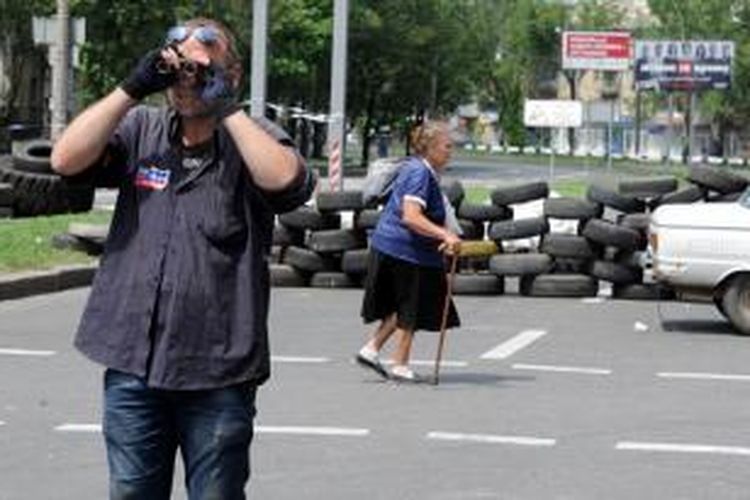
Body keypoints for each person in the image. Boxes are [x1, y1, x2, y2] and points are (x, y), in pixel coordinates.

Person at [50, 18, 315, 499]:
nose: (187, 82)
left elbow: (285, 181)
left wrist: (226, 107)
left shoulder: (253, 136)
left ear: (230, 75)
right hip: (135, 362)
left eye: (202, 71)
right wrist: (132, 87)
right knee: (130, 492)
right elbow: (65, 159)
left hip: (219, 369)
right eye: (178, 69)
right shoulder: (141, 127)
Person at [356, 120, 461, 383]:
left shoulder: (422, 171)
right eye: (447, 146)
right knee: (410, 305)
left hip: (400, 247)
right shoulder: (419, 173)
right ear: (430, 148)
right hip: (404, 249)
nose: (451, 151)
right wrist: (444, 234)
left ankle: (371, 350)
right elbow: (411, 217)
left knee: (402, 304)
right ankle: (400, 364)